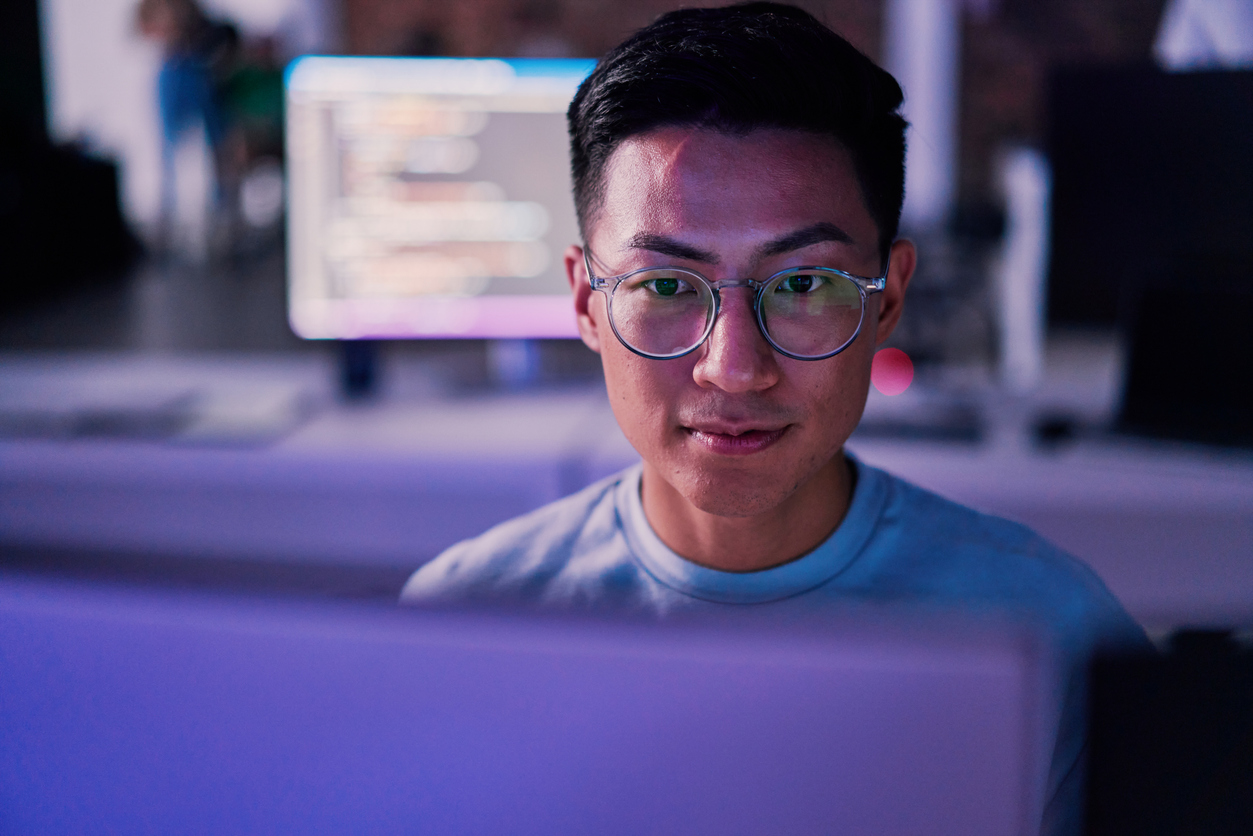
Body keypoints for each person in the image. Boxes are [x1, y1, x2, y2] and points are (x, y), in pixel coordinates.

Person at [401, 4, 1148, 833]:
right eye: (663, 285)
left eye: (801, 285)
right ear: (584, 299)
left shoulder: (1051, 630)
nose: (733, 367)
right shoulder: (463, 622)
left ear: (888, 297)